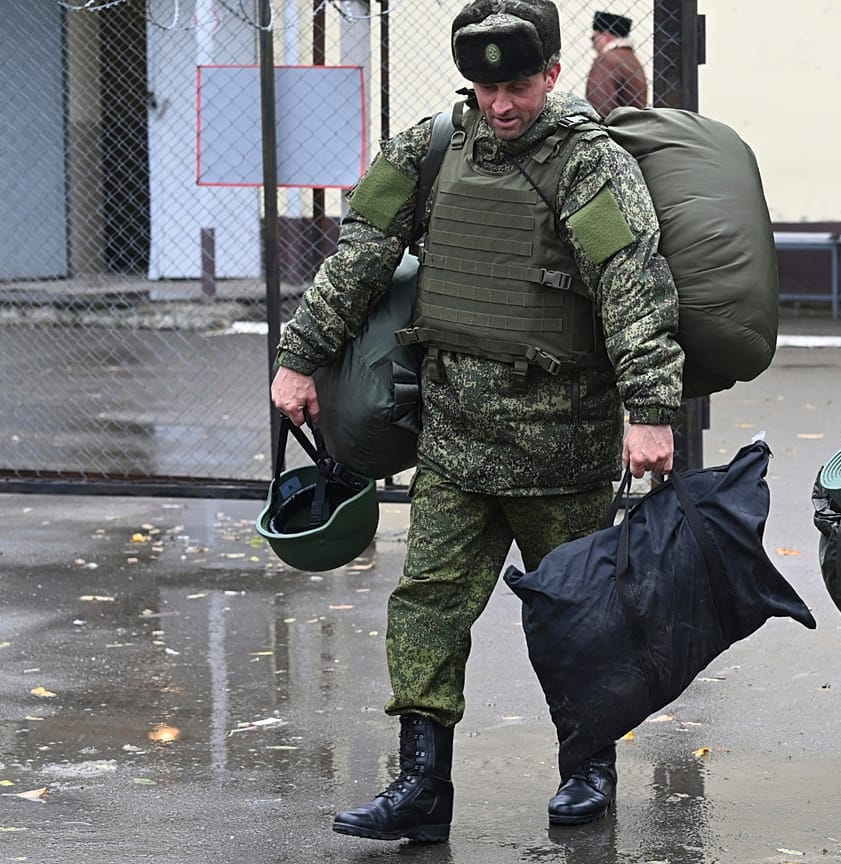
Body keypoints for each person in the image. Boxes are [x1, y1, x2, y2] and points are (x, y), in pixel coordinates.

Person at [269, 0, 683, 840]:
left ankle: (588, 765)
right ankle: (422, 785)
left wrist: (650, 410)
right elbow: (361, 256)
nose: (502, 103)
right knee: (426, 603)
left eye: (519, 85)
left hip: (562, 445)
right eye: (487, 88)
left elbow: (633, 286)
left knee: (578, 611)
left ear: (553, 74)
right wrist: (300, 354)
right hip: (454, 438)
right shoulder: (429, 152)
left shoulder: (589, 164)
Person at [586, 11, 648, 118]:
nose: (593, 45)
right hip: (633, 123)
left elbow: (599, 104)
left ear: (606, 35)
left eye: (594, 38)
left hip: (612, 126)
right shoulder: (630, 58)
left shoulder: (607, 60)